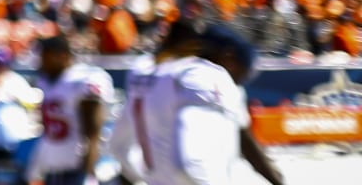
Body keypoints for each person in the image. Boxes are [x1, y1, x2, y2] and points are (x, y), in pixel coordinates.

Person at [110, 23, 281, 185]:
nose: (240, 82)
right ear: (229, 56)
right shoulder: (205, 77)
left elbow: (118, 146)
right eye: (242, 73)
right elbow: (188, 163)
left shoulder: (157, 73)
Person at [25, 35, 114, 185]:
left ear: (62, 55)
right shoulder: (46, 81)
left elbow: (93, 133)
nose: (42, 62)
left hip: (76, 171)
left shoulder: (81, 80)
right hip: (52, 171)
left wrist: (88, 173)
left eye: (46, 56)